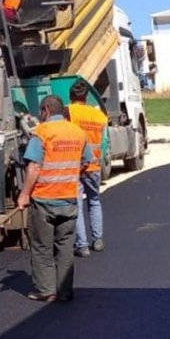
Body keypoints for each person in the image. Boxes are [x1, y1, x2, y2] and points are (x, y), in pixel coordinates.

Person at [17, 95, 91, 302]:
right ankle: (64, 291)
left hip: (44, 200)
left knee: (42, 247)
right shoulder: (78, 132)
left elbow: (34, 167)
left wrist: (24, 194)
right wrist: (69, 176)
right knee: (65, 247)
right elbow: (86, 162)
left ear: (46, 110)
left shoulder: (42, 132)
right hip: (69, 200)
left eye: (41, 111)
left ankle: (46, 290)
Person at [66, 79, 109, 258]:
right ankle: (97, 240)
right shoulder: (99, 115)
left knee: (77, 204)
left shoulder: (68, 111)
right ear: (86, 97)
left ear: (71, 96)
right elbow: (103, 139)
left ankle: (82, 245)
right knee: (94, 200)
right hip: (94, 164)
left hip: (76, 165)